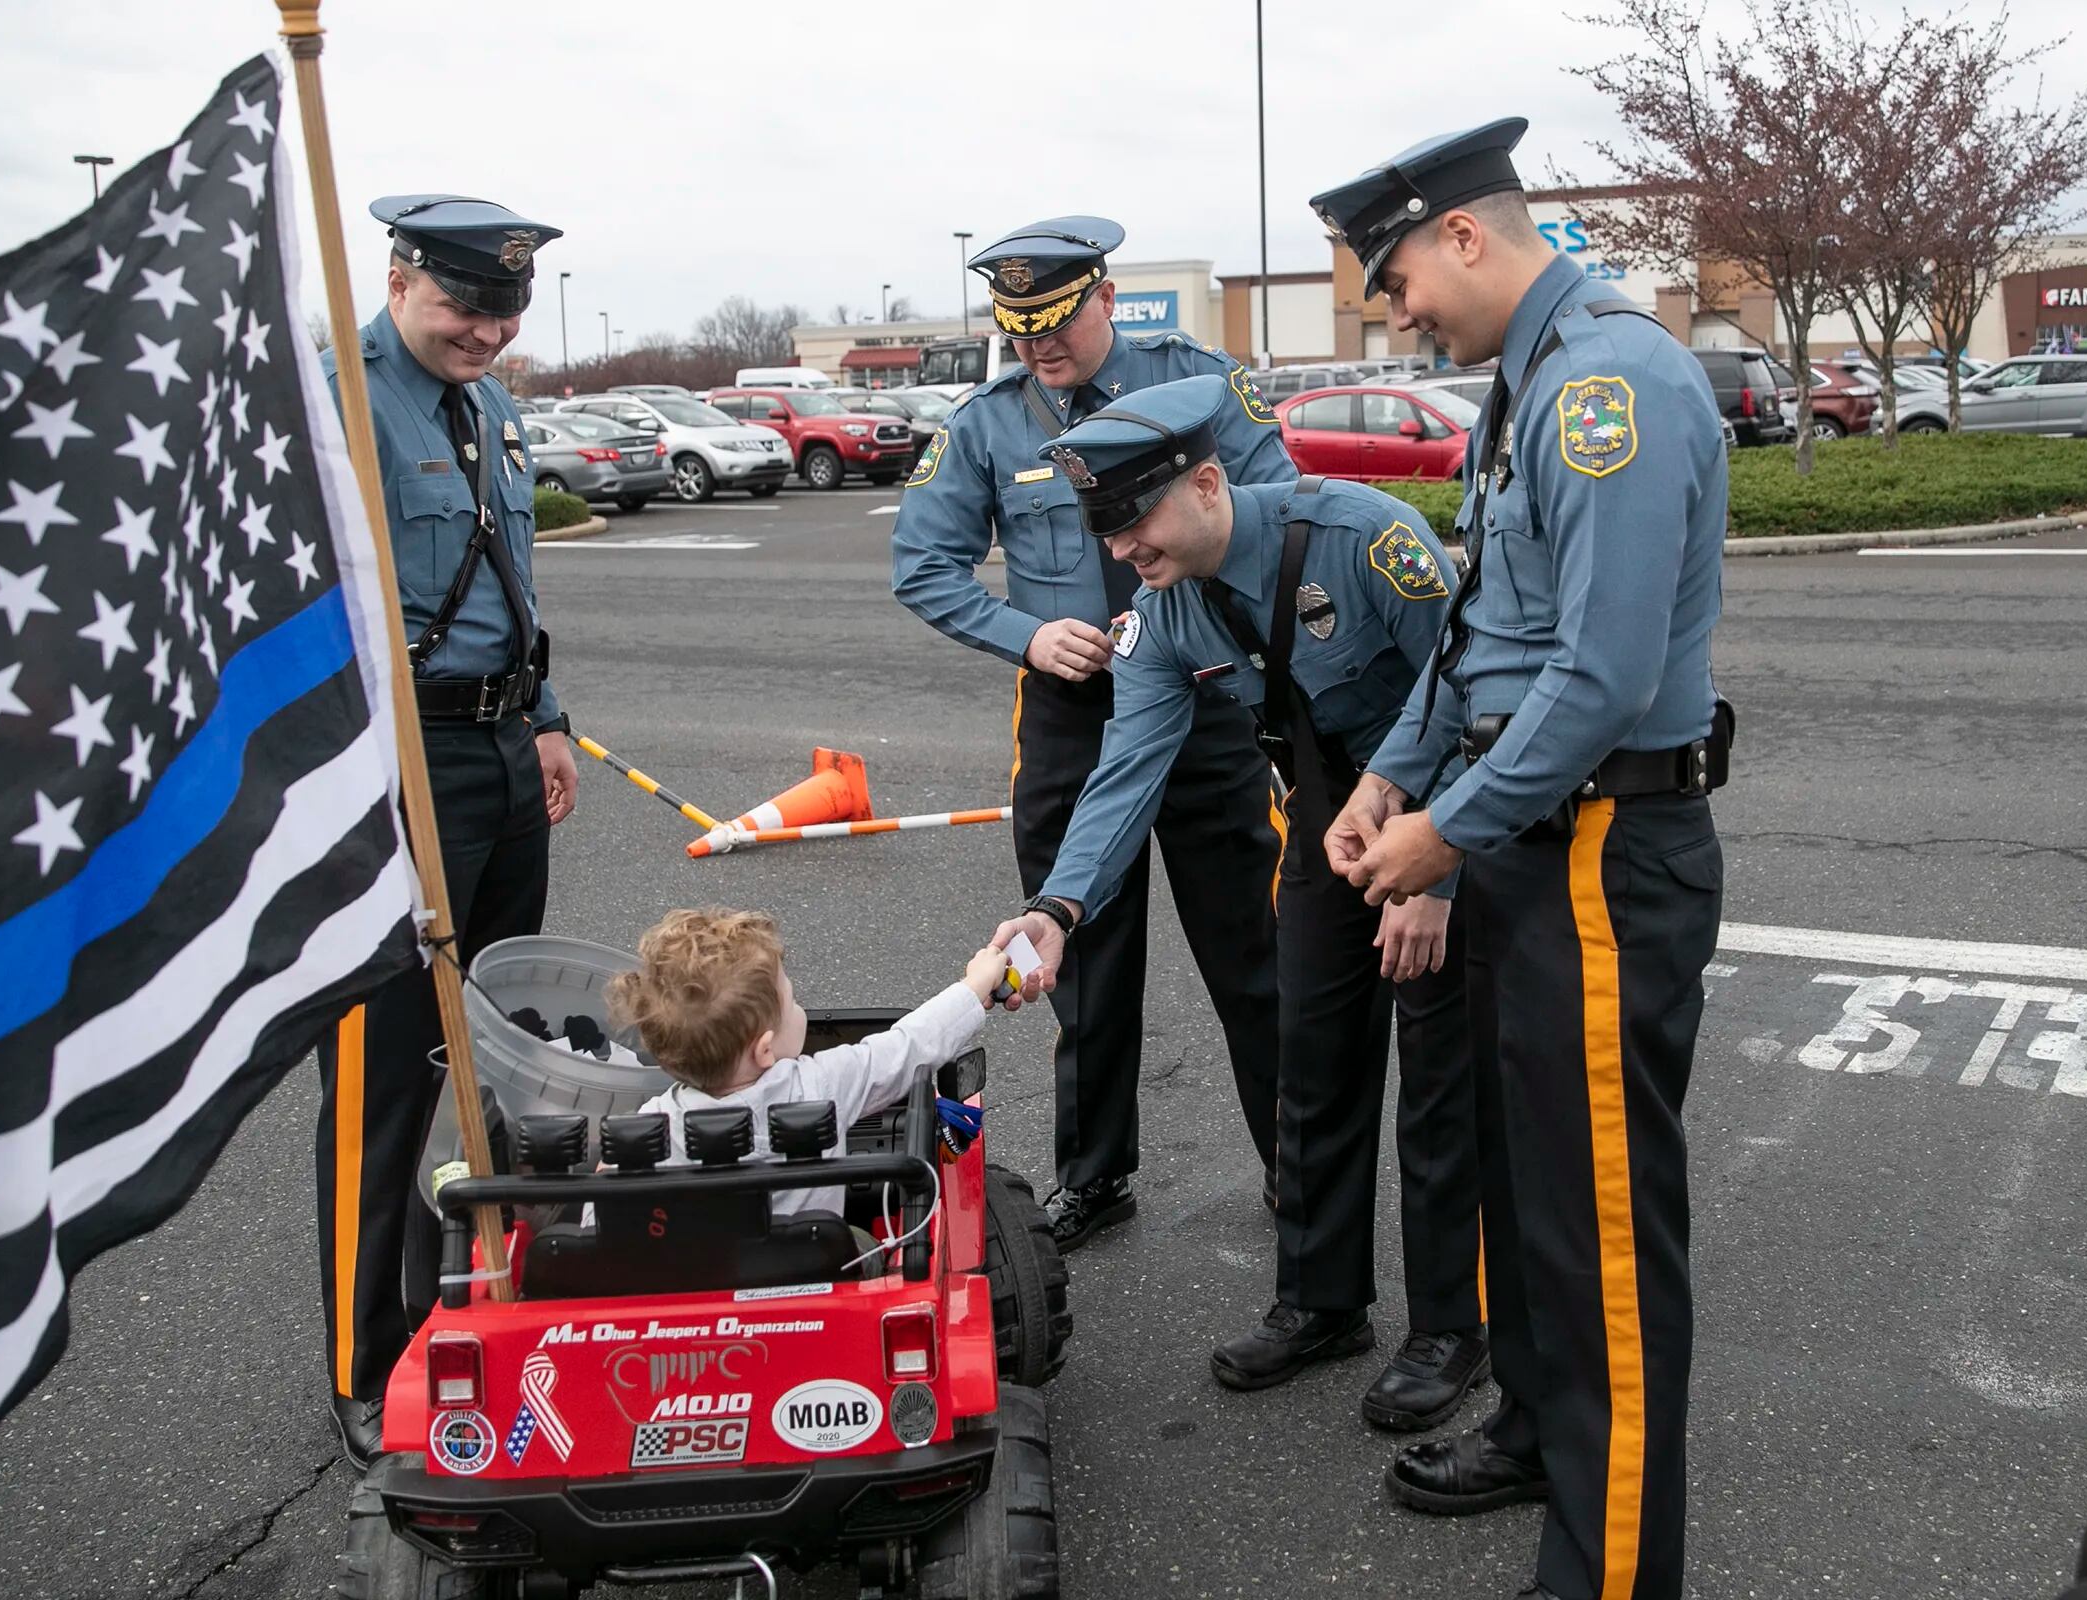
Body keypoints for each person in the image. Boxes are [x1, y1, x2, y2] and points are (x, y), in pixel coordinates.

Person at [1315, 120, 1731, 1600]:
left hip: (1604, 852)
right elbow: (1483, 638)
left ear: (1466, 236)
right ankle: (1547, 1436)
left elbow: (1605, 670)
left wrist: (1443, 833)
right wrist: (1389, 779)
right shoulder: (1528, 385)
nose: (1400, 311)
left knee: (1602, 1241)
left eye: (1401, 279)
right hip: (1531, 838)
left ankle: (1610, 1569)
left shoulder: (1607, 383)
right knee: (1531, 1194)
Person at [987, 374, 1487, 1424]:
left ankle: (1452, 1327)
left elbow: (1476, 690)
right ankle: (1320, 1302)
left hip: (1443, 816)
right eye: (1105, 530)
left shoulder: (1365, 538)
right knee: (1312, 1063)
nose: (1122, 549)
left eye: (1134, 522)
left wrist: (1439, 862)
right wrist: (1058, 910)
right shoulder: (1165, 612)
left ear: (1208, 483)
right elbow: (1125, 769)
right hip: (1323, 822)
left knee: (1443, 1084)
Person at [892, 215, 1292, 1251]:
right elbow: (923, 563)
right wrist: (1027, 635)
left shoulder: (1197, 382)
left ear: (1106, 297)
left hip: (1205, 697)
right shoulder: (987, 421)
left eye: (1058, 323)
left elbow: (1272, 504)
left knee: (1250, 950)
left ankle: (1298, 1161)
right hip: (1070, 712)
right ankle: (1097, 1170)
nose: (1040, 348)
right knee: (1081, 956)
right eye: (1020, 330)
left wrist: (1198, 604)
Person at [316, 194, 580, 1470]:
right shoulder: (332, 397)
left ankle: (469, 1296)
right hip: (391, 759)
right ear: (398, 277)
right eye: (467, 303)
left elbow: (511, 581)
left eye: (507, 309)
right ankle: (366, 1359)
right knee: (381, 1078)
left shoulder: (490, 405)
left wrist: (544, 717)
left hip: (495, 747)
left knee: (492, 1044)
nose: (489, 328)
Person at [605, 908, 1010, 1216]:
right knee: (864, 1243)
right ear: (764, 1050)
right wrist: (975, 986)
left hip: (696, 1283)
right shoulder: (819, 1088)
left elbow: (606, 1208)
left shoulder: (649, 1125)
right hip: (810, 1276)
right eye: (792, 1000)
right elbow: (908, 1046)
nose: (800, 1008)